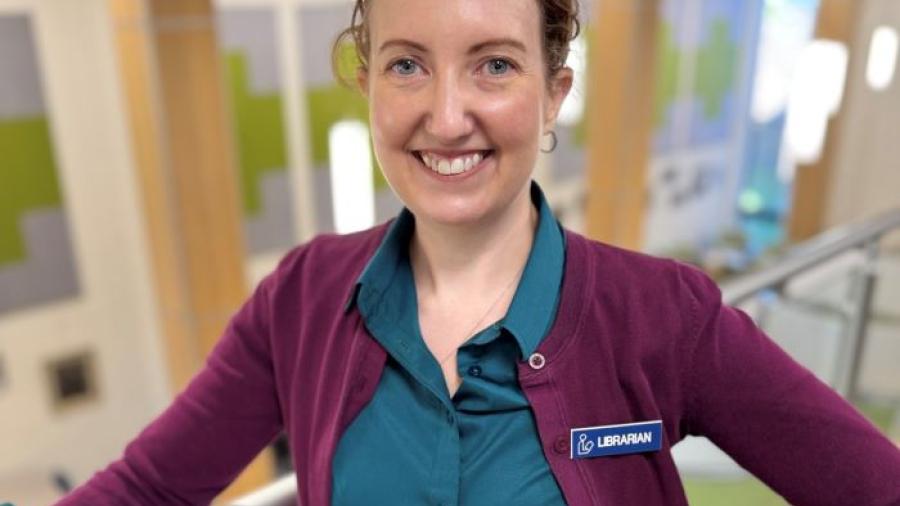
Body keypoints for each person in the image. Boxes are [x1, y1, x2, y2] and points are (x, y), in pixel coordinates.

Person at [59, 0, 900, 504]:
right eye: (408, 66)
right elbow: (149, 490)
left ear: (553, 95)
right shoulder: (303, 297)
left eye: (493, 65)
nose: (448, 115)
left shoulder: (663, 318)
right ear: (368, 82)